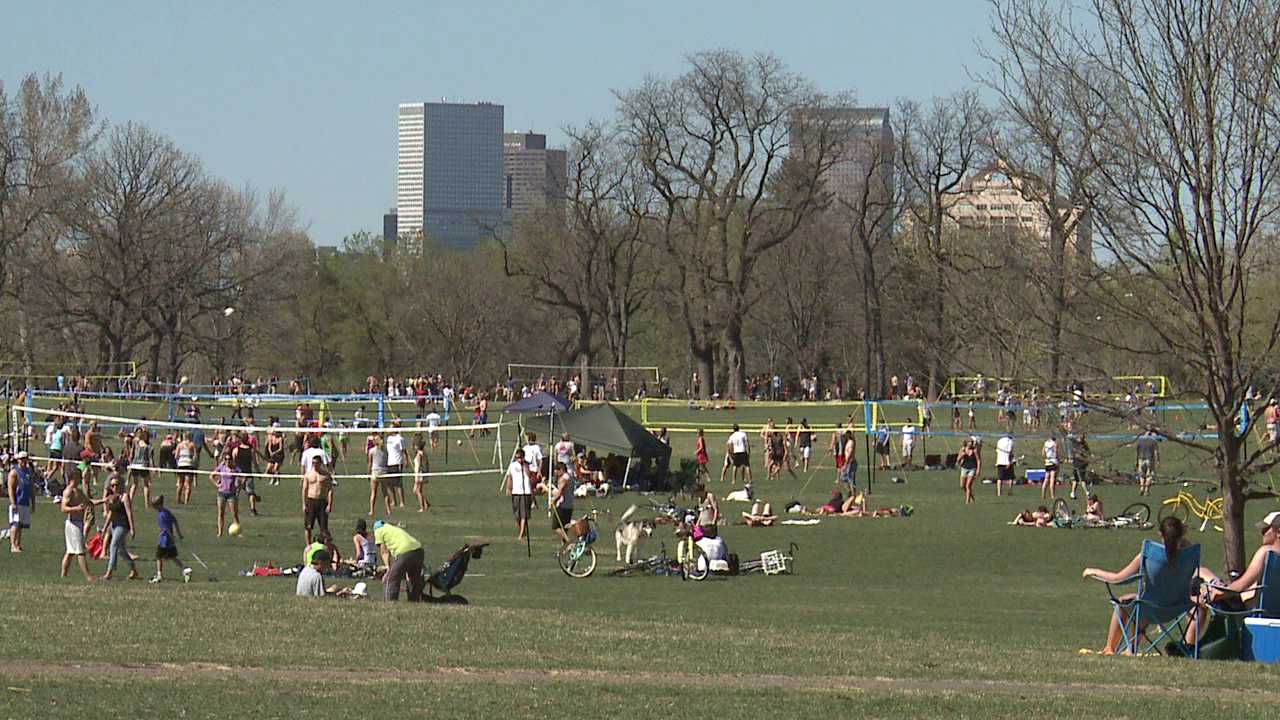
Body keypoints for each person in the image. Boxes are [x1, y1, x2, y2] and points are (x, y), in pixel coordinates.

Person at [1081, 516, 1189, 654]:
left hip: (1152, 608)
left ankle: (1110, 648)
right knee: (1143, 600)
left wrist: (1093, 571)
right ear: (1182, 533)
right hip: (1178, 607)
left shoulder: (1149, 554)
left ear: (1160, 534)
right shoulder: (1189, 554)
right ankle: (1131, 648)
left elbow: (1118, 579)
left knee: (1127, 602)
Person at [60, 470, 99, 583]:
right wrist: (76, 508)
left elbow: (89, 502)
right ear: (74, 478)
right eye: (79, 477)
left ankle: (63, 575)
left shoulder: (79, 491)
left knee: (70, 552)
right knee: (80, 551)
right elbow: (63, 508)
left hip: (79, 523)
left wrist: (105, 500)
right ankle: (88, 576)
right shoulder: (68, 491)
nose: (81, 479)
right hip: (73, 523)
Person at [374, 520, 425, 601]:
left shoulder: (379, 531)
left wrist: (388, 568)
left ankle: (390, 602)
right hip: (418, 550)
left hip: (404, 551)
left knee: (391, 579)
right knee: (414, 579)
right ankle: (414, 601)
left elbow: (384, 551)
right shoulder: (393, 529)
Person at [100, 475, 138, 580]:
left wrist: (132, 528)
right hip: (114, 525)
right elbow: (110, 514)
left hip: (123, 526)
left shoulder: (124, 496)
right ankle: (134, 570)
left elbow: (129, 512)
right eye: (112, 485)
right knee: (121, 551)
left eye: (117, 485)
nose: (115, 487)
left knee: (113, 545)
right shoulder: (112, 498)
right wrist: (104, 528)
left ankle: (109, 572)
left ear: (121, 485)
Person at [150, 495, 191, 584]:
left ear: (159, 505)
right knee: (172, 557)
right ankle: (185, 569)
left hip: (164, 540)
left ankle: (159, 575)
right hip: (169, 539)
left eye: (155, 506)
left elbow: (166, 529)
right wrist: (179, 533)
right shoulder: (167, 512)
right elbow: (175, 521)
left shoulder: (161, 515)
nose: (155, 508)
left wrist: (172, 538)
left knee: (158, 557)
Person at [7, 451, 36, 553]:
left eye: (25, 458)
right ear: (18, 460)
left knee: (21, 525)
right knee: (15, 523)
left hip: (25, 502)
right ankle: (13, 545)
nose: (24, 461)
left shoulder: (28, 472)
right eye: (22, 459)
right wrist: (13, 502)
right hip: (17, 501)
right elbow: (10, 488)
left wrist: (33, 502)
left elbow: (32, 488)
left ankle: (18, 544)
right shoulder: (14, 472)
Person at [301, 455, 334, 545]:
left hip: (322, 501)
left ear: (320, 463)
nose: (315, 465)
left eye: (316, 463)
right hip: (311, 501)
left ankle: (325, 545)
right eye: (313, 463)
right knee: (308, 526)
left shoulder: (326, 475)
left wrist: (330, 504)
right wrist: (304, 504)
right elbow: (304, 490)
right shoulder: (308, 475)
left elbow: (330, 490)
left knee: (323, 527)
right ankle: (308, 545)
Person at [503, 448, 534, 541]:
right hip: (516, 492)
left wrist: (525, 465)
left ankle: (521, 535)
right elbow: (510, 477)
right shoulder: (512, 465)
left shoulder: (527, 465)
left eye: (520, 457)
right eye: (517, 457)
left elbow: (529, 475)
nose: (519, 459)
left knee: (524, 514)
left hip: (525, 492)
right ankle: (522, 530)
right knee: (517, 515)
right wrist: (508, 488)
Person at [211, 453, 239, 537]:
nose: (227, 461)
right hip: (221, 493)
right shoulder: (221, 467)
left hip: (231, 494)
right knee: (221, 513)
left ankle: (238, 531)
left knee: (234, 513)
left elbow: (243, 476)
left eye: (229, 459)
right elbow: (211, 476)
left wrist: (238, 487)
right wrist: (217, 484)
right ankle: (220, 532)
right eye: (226, 459)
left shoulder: (235, 468)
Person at [550, 461, 575, 546]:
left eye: (556, 470)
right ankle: (565, 547)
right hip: (570, 505)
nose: (555, 472)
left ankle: (569, 542)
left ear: (561, 470)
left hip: (562, 506)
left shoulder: (563, 479)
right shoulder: (570, 477)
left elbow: (561, 492)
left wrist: (554, 501)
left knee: (556, 526)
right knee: (564, 528)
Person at [128, 427, 154, 507]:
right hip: (142, 464)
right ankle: (146, 504)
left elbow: (131, 454)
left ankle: (130, 502)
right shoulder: (146, 444)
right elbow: (149, 457)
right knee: (145, 484)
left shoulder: (136, 441)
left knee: (135, 484)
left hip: (136, 464)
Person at [366, 434, 391, 517]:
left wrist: (368, 473)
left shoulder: (371, 451)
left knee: (373, 492)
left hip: (375, 472)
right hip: (384, 472)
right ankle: (388, 510)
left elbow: (370, 463)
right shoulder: (385, 450)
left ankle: (372, 510)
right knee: (385, 493)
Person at [385, 422, 406, 509]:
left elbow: (404, 451)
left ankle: (402, 502)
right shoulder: (388, 438)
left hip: (397, 463)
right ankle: (393, 501)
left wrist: (405, 462)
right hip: (389, 463)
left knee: (398, 484)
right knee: (389, 484)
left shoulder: (400, 439)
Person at [1134, 429, 1159, 497]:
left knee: (1141, 475)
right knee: (1149, 475)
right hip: (1149, 459)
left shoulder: (1140, 440)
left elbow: (1137, 452)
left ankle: (1141, 488)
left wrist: (1136, 461)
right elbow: (1155, 453)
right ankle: (1146, 490)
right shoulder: (1153, 441)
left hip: (1141, 459)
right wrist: (1157, 461)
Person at [175, 432, 197, 505]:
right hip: (189, 464)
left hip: (181, 464)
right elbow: (195, 455)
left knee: (180, 483)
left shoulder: (179, 445)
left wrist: (179, 461)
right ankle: (186, 501)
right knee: (188, 484)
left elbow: (176, 456)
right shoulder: (192, 444)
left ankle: (178, 500)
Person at [957, 437, 980, 505]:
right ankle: (971, 496)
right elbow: (958, 459)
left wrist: (978, 470)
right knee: (962, 486)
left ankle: (967, 502)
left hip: (972, 468)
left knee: (968, 485)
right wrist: (962, 456)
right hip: (964, 468)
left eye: (971, 442)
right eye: (969, 442)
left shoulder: (974, 450)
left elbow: (978, 460)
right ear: (966, 443)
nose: (970, 443)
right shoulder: (963, 449)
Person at [1069, 433, 1092, 500]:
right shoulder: (1078, 444)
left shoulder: (1081, 444)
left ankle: (1086, 493)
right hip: (1078, 463)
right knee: (1077, 479)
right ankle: (1074, 493)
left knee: (1080, 479)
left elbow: (1088, 453)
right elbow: (1078, 454)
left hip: (1080, 464)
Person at [412, 437, 430, 513]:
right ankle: (426, 504)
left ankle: (422, 507)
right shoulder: (423, 453)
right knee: (417, 491)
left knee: (417, 491)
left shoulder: (419, 455)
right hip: (422, 473)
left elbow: (419, 465)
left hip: (419, 474)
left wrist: (417, 476)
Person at [995, 432, 1015, 497]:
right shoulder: (1010, 442)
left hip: (1000, 461)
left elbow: (997, 450)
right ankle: (1010, 491)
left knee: (1000, 478)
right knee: (1010, 477)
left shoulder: (999, 441)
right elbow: (1010, 452)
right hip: (1007, 462)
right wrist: (1010, 461)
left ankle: (999, 493)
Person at [1042, 434, 1059, 500]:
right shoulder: (1055, 444)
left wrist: (1046, 458)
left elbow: (1043, 453)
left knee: (1046, 479)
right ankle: (1052, 495)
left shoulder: (1045, 443)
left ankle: (1043, 494)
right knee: (1052, 479)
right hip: (1053, 461)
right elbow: (1055, 453)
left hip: (1047, 462)